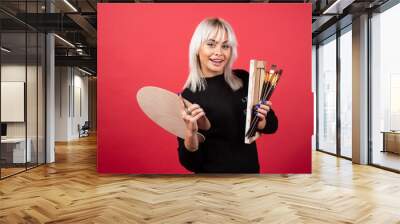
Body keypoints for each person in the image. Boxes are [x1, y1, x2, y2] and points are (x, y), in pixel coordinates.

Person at [177, 17, 278, 173]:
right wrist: (190, 135)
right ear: (197, 48)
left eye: (225, 46)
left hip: (250, 177)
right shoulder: (188, 96)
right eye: (211, 44)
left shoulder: (244, 78)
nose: (219, 52)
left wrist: (262, 121)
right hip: (212, 184)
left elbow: (272, 125)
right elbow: (191, 164)